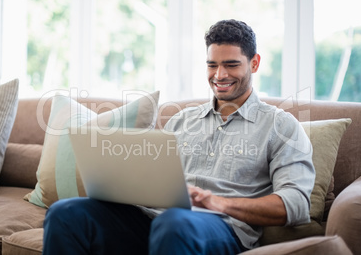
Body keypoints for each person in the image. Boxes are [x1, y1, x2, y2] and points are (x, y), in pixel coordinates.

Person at [43, 19, 315, 254]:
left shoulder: (281, 125)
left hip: (221, 229)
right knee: (65, 214)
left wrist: (218, 202)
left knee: (175, 223)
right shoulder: (182, 119)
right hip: (155, 220)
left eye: (231, 65)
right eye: (212, 65)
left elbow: (296, 204)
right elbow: (152, 180)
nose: (220, 75)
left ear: (254, 63)